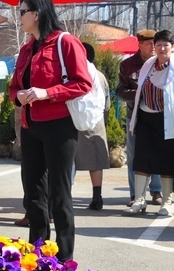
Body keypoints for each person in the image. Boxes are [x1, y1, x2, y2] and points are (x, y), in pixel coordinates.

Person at [9, 0, 91, 262]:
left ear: (37, 13)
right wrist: (18, 95)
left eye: (22, 12)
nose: (19, 16)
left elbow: (82, 83)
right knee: (33, 193)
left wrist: (48, 92)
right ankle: (37, 253)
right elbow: (13, 87)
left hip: (59, 126)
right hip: (30, 126)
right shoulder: (26, 49)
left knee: (60, 193)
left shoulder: (65, 42)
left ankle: (65, 258)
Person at [126, 30, 174, 217]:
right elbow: (140, 92)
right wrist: (135, 122)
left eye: (166, 45)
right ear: (154, 47)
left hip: (169, 121)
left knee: (167, 163)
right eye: (158, 45)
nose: (162, 48)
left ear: (172, 47)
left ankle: (166, 202)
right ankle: (139, 200)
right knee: (141, 161)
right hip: (145, 119)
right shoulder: (148, 65)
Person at [117, 29, 162, 207]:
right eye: (149, 43)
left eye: (155, 43)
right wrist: (142, 93)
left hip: (158, 115)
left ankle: (156, 190)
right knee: (135, 155)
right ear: (140, 44)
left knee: (157, 153)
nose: (152, 47)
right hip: (135, 116)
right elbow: (120, 91)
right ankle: (135, 193)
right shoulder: (128, 65)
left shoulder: (161, 63)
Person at [75, 42, 111, 211]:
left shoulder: (73, 74)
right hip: (96, 122)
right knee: (95, 162)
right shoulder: (100, 76)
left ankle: (63, 196)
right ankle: (97, 197)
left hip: (74, 121)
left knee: (69, 163)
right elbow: (107, 105)